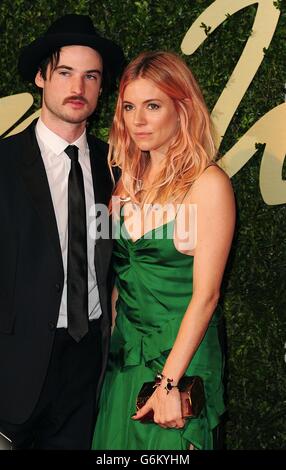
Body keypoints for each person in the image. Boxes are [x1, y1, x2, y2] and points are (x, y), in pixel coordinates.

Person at [92, 51, 235, 450]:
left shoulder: (208, 185)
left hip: (178, 365)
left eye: (152, 106)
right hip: (123, 365)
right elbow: (118, 283)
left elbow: (206, 297)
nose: (138, 120)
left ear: (182, 108)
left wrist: (168, 383)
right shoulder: (122, 186)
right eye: (129, 107)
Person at [0, 14, 124, 449]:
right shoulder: (4, 162)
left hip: (88, 360)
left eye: (91, 76)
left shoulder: (118, 167)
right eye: (65, 72)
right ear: (40, 77)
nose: (79, 87)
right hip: (14, 364)